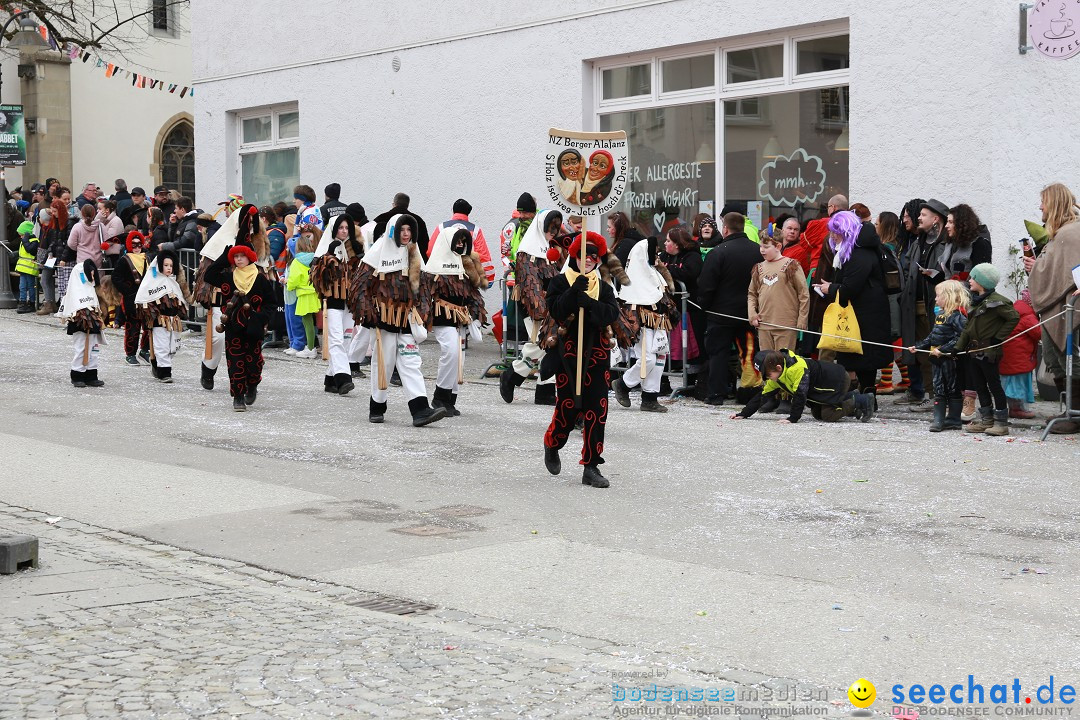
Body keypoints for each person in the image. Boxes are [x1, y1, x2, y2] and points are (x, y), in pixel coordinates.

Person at [349, 214, 446, 427]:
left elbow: (421, 285)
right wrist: (369, 312)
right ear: (394, 231)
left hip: (405, 319)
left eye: (409, 230)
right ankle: (377, 406)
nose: (406, 234)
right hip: (382, 319)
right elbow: (359, 287)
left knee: (411, 363)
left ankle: (420, 410)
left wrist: (422, 309)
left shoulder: (413, 252)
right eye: (402, 230)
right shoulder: (377, 252)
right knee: (383, 364)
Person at [542, 231, 621, 488]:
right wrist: (572, 294)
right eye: (583, 255)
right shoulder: (559, 282)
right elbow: (555, 310)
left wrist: (590, 303)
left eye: (593, 256)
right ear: (575, 255)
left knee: (597, 410)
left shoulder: (604, 288)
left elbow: (610, 314)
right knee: (568, 406)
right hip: (568, 354)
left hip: (597, 355)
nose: (588, 260)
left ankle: (591, 465)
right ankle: (552, 443)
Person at [813, 211, 894, 398]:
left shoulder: (860, 253)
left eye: (836, 231)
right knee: (860, 359)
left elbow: (852, 287)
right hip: (862, 313)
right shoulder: (858, 249)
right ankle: (863, 396)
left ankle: (866, 398)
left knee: (865, 359)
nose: (832, 236)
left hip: (866, 315)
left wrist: (830, 289)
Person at [1026, 182, 1080, 434]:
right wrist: (1037, 266)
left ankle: (1075, 414)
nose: (1040, 207)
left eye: (1043, 202)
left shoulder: (1072, 233)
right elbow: (1054, 267)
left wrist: (1037, 267)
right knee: (1053, 358)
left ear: (1054, 203)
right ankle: (1069, 410)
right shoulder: (1061, 233)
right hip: (1056, 308)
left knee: (1071, 360)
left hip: (1071, 308)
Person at [194, 204, 264, 391]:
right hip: (222, 299)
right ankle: (208, 367)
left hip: (249, 303)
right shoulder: (220, 241)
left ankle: (247, 381)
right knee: (217, 339)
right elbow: (206, 273)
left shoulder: (257, 242)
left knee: (247, 343)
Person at [420, 226, 487, 416]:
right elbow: (425, 295)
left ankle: (450, 398)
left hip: (461, 319)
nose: (460, 245)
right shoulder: (434, 267)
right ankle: (440, 396)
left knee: (459, 358)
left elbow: (474, 295)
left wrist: (475, 316)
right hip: (442, 316)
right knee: (450, 352)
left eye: (463, 242)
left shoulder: (464, 265)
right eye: (457, 241)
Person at [696, 212, 762, 405]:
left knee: (718, 354)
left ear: (725, 228)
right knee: (748, 352)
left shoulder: (718, 252)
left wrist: (704, 306)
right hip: (748, 313)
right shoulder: (757, 250)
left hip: (720, 313)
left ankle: (716, 394)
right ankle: (749, 392)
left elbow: (707, 285)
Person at [499, 208, 564, 404]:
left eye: (555, 230)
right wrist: (540, 310)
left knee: (547, 346)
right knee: (541, 343)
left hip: (550, 306)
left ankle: (544, 390)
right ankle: (512, 375)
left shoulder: (549, 250)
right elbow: (529, 283)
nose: (552, 234)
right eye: (549, 229)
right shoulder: (526, 252)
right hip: (531, 305)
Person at [204, 241, 277, 412]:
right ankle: (238, 396)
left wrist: (260, 318)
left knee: (254, 362)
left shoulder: (260, 279)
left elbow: (271, 303)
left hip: (254, 326)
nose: (238, 259)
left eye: (241, 256)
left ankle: (252, 386)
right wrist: (224, 257)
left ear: (249, 257)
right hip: (233, 326)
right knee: (235, 362)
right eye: (235, 256)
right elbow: (209, 275)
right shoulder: (228, 277)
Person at [612, 237, 678, 412]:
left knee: (660, 358)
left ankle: (650, 397)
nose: (657, 256)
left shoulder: (653, 272)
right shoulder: (634, 276)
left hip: (658, 320)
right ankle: (624, 384)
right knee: (647, 358)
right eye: (654, 253)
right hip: (641, 323)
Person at [954, 263, 1020, 437]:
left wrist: (998, 337)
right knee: (979, 386)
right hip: (974, 352)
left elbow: (1013, 317)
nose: (970, 281)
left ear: (982, 282)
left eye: (974, 278)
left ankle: (1001, 422)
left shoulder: (997, 302)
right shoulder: (976, 302)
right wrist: (957, 348)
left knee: (994, 386)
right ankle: (986, 420)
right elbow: (968, 329)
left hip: (990, 351)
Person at [897, 199, 950, 412]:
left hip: (937, 307)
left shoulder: (947, 243)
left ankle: (942, 396)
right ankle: (931, 395)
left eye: (924, 215)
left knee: (937, 353)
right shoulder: (918, 242)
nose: (919, 218)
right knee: (920, 353)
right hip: (915, 307)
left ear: (936, 219)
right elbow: (907, 266)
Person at [731, 349, 875, 423]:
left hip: (837, 380)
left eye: (768, 375)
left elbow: (800, 396)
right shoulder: (776, 375)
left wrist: (792, 418)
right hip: (825, 385)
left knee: (828, 414)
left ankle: (860, 400)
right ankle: (853, 397)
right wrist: (743, 413)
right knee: (817, 414)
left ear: (779, 368)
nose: (767, 379)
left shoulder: (796, 369)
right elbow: (762, 396)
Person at [310, 215, 363, 394]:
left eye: (347, 228)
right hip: (333, 299)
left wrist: (359, 255)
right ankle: (342, 377)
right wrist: (328, 256)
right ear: (334, 229)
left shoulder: (352, 247)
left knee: (347, 338)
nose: (344, 231)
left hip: (349, 300)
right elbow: (317, 276)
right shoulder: (326, 246)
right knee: (336, 338)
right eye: (340, 228)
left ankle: (330, 379)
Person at [908, 279, 969, 432]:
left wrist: (943, 349)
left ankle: (954, 419)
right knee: (938, 387)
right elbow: (933, 335)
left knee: (952, 387)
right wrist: (919, 346)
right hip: (936, 358)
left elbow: (961, 338)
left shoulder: (958, 316)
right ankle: (939, 419)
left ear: (948, 296)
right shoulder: (940, 315)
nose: (935, 299)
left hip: (950, 359)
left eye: (937, 296)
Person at [658, 226, 705, 392]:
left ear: (677, 244)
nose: (665, 243)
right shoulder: (663, 255)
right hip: (666, 310)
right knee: (663, 346)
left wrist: (664, 269)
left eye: (669, 241)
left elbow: (688, 273)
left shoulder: (692, 256)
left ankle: (691, 382)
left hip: (687, 309)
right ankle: (663, 383)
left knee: (689, 347)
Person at [748, 234, 809, 352]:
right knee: (766, 362)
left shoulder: (792, 265)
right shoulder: (758, 268)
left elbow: (803, 294)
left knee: (784, 362)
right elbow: (752, 294)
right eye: (760, 246)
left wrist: (802, 318)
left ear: (778, 246)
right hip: (764, 324)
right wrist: (752, 313)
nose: (762, 250)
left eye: (766, 247)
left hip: (786, 325)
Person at [136, 249, 189, 383]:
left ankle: (156, 363)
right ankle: (164, 372)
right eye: (166, 265)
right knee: (162, 345)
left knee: (172, 346)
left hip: (173, 320)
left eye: (171, 266)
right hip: (159, 320)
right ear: (160, 265)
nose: (169, 268)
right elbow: (144, 297)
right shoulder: (152, 280)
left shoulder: (173, 282)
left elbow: (179, 299)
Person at [874, 211, 910, 395]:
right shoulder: (898, 247)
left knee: (888, 341)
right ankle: (906, 379)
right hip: (898, 300)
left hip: (889, 301)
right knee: (896, 342)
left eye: (877, 223)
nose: (875, 225)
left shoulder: (884, 250)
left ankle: (886, 381)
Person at [58, 260, 108, 388]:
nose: (92, 276)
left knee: (94, 349)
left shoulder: (90, 288)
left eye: (93, 273)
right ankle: (77, 374)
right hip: (80, 324)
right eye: (90, 274)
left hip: (93, 324)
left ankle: (91, 374)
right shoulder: (75, 289)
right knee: (81, 348)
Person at [430, 199, 496, 287]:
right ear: (468, 213)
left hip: (443, 276)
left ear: (453, 211)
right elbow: (483, 256)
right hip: (467, 280)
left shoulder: (441, 228)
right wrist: (488, 279)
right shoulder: (475, 230)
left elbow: (431, 251)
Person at [999, 289, 1041, 420]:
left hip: (1008, 356)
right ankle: (1016, 409)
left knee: (1010, 383)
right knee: (1018, 385)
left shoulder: (1015, 311)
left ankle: (1009, 408)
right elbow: (1039, 333)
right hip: (1019, 357)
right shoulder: (1028, 316)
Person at [112, 231, 151, 366]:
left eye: (139, 244)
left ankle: (145, 350)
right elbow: (115, 278)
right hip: (131, 299)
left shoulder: (147, 258)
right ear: (129, 245)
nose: (136, 247)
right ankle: (130, 354)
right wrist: (127, 291)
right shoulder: (124, 260)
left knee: (148, 325)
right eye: (133, 245)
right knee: (133, 327)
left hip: (146, 298)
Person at [286, 226, 322, 360]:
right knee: (312, 322)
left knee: (307, 322)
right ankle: (312, 346)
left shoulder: (297, 261)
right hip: (314, 293)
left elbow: (293, 280)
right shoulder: (315, 259)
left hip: (303, 295)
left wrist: (288, 284)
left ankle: (311, 349)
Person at [941, 204, 992, 283]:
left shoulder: (979, 244)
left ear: (961, 224)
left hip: (968, 293)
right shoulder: (950, 244)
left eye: (950, 222)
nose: (946, 226)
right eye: (947, 222)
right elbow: (947, 274)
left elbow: (982, 279)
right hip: (951, 293)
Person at [373, 193, 431, 258]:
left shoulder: (381, 218)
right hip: (411, 262)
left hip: (386, 261)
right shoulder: (418, 221)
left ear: (393, 204)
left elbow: (373, 242)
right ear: (408, 205)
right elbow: (425, 246)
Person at [500, 193, 537, 289]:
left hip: (535, 280)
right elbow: (515, 251)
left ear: (532, 211)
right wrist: (508, 253)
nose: (521, 216)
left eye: (524, 213)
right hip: (520, 278)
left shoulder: (539, 224)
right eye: (520, 213)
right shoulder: (520, 226)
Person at [66, 204, 103, 268]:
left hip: (82, 259)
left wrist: (79, 248)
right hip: (98, 259)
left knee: (83, 277)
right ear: (94, 214)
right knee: (97, 277)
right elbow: (107, 241)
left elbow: (71, 244)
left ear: (82, 213)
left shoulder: (77, 226)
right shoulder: (100, 226)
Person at [14, 221, 39, 313]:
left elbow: (30, 250)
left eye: (22, 235)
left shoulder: (34, 241)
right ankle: (23, 301)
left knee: (30, 286)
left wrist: (25, 241)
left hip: (30, 268)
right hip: (24, 268)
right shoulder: (25, 241)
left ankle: (31, 303)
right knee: (22, 286)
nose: (21, 237)